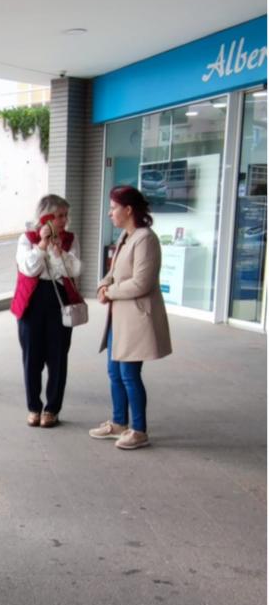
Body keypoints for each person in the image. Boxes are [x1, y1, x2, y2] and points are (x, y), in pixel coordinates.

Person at [90, 185, 172, 450]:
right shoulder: (126, 236)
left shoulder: (145, 239)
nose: (110, 213)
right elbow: (114, 272)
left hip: (135, 319)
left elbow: (141, 283)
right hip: (119, 318)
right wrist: (103, 285)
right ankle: (118, 423)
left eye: (113, 207)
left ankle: (138, 430)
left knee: (129, 375)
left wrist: (110, 292)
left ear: (128, 209)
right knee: (114, 372)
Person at [11, 195, 82, 428]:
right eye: (58, 216)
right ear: (45, 217)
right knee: (31, 357)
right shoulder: (27, 239)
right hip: (31, 302)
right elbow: (29, 268)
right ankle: (34, 407)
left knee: (58, 357)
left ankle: (52, 408)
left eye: (65, 215)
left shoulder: (70, 239)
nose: (64, 220)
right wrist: (42, 245)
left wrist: (58, 252)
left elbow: (73, 271)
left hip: (59, 300)